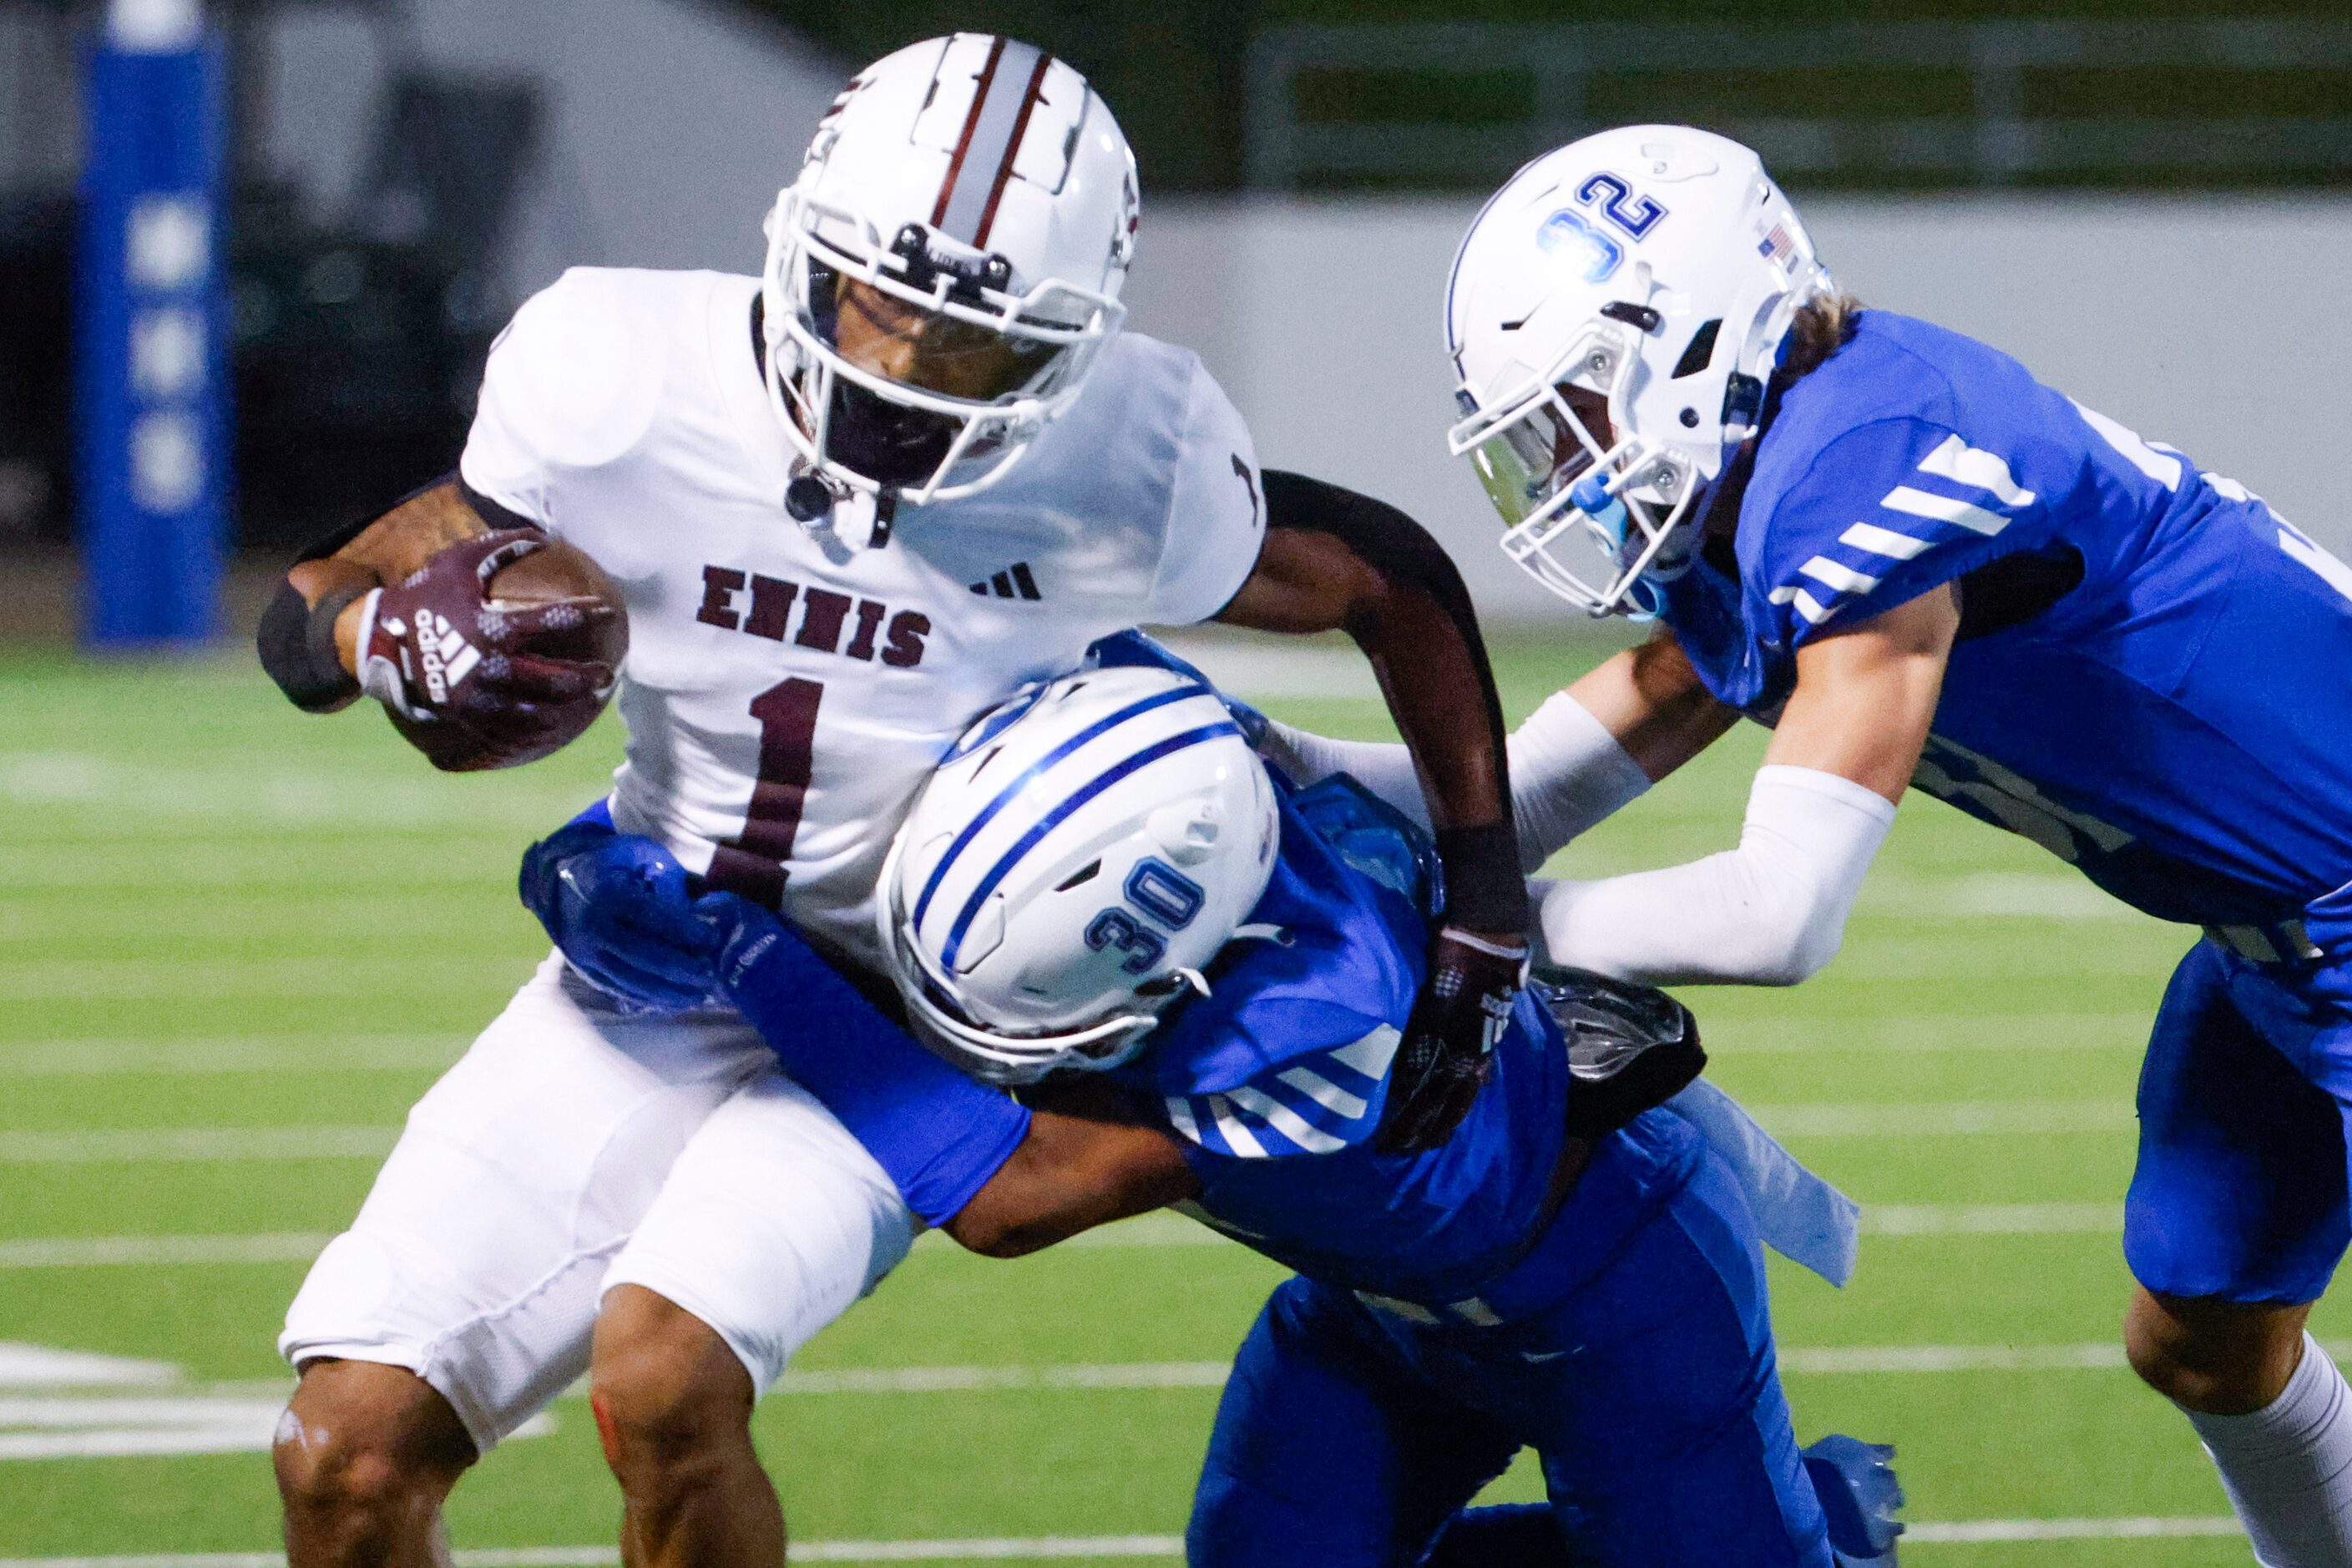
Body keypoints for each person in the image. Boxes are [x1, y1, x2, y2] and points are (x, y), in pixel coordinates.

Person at [251, 37, 1530, 1568]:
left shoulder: (1125, 463)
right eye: (882, 302)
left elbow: (1387, 574)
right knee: (342, 1454)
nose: (906, 371)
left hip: (903, 1005)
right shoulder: (615, 377)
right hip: (648, 954)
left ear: (1070, 345)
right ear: (800, 251)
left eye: (974, 342)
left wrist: (1485, 891)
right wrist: (369, 639)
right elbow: (323, 597)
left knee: (664, 1385)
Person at [1260, 122, 2352, 1566]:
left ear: (1695, 333)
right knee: (2205, 1336)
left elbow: (1778, 912)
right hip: (2280, 940)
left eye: (1578, 410)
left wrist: (1466, 940)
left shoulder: (1862, 454)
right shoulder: (1775, 474)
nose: (1568, 463)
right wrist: (1264, 781)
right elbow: (1523, 791)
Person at [639, 660, 1902, 1565]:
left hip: (1619, 1300)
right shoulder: (1201, 806)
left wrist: (738, 950)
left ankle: (1814, 1527)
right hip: (1378, 1309)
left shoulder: (1321, 1038)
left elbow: (1012, 1195)